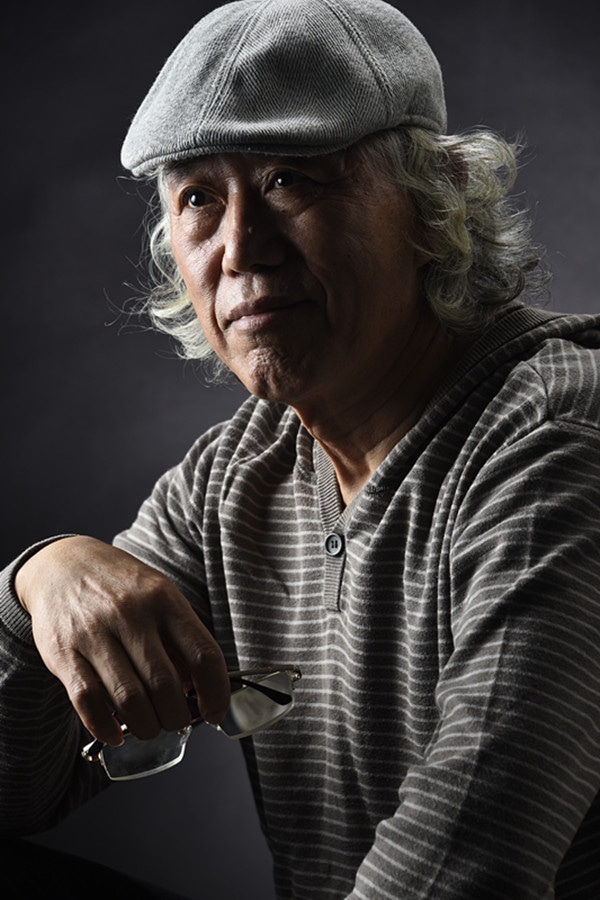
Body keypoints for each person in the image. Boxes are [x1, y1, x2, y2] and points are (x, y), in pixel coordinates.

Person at [1, 0, 599, 897]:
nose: (241, 248)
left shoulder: (558, 438)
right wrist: (38, 583)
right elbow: (17, 789)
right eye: (199, 199)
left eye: (291, 179)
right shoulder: (237, 475)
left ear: (433, 204)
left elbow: (467, 874)